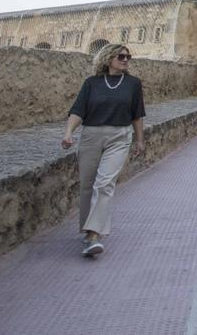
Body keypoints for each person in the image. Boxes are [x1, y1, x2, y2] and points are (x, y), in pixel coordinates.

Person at [61, 43, 146, 257]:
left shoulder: (133, 84)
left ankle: (94, 235)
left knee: (105, 183)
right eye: (121, 56)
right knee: (87, 186)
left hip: (119, 136)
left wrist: (140, 140)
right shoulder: (92, 83)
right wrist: (69, 132)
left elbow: (137, 115)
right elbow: (78, 110)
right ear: (108, 58)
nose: (126, 59)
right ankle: (88, 231)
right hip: (91, 135)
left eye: (128, 56)